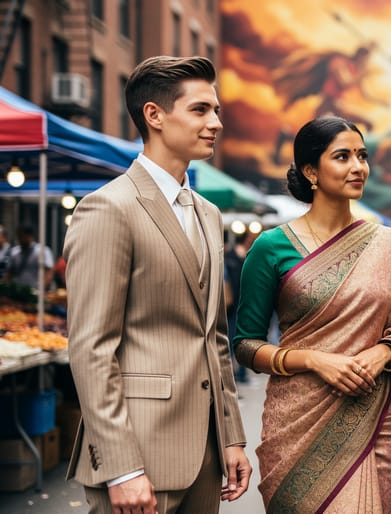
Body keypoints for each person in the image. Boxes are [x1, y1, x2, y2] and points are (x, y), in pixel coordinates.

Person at [232, 116, 391, 512]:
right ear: (311, 170)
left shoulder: (389, 245)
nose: (358, 166)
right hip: (298, 422)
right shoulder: (270, 247)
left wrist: (383, 353)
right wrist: (315, 360)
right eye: (343, 156)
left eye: (362, 156)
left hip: (378, 421)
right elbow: (245, 345)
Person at [63, 56, 251, 513]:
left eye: (217, 111)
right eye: (201, 110)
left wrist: (231, 438)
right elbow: (91, 348)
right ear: (155, 115)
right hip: (138, 454)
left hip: (206, 455)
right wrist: (121, 467)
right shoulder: (108, 208)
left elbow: (215, 338)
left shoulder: (207, 213)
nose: (216, 123)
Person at [224, 231, 257, 384]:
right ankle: (239, 375)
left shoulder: (230, 257)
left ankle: (239, 374)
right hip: (236, 306)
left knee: (235, 340)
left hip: (234, 306)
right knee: (237, 340)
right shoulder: (235, 258)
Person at [5, 224, 55, 290]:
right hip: (16, 291)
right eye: (19, 236)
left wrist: (41, 289)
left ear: (30, 236)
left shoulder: (42, 251)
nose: (20, 239)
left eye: (22, 236)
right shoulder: (14, 252)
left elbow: (49, 272)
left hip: (35, 291)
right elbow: (9, 273)